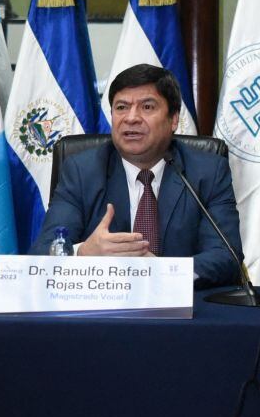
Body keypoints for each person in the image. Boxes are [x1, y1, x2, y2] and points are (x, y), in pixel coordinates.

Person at [30, 64, 243, 287]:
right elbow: (43, 250)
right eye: (121, 107)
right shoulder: (82, 171)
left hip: (183, 311)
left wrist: (160, 273)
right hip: (102, 306)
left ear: (173, 120)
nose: (131, 118)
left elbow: (226, 256)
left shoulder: (208, 171)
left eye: (147, 107)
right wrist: (82, 253)